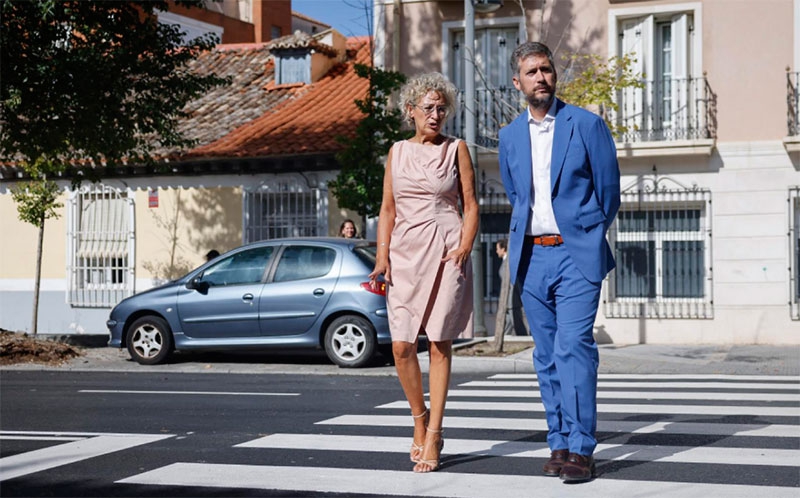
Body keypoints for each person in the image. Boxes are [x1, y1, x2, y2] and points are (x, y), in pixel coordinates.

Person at [498, 41, 621, 483]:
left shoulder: (586, 125)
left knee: (574, 348)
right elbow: (517, 197)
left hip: (575, 255)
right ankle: (560, 441)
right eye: (531, 72)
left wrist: (584, 234)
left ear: (555, 75)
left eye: (546, 70)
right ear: (518, 83)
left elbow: (609, 193)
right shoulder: (509, 136)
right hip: (531, 257)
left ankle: (583, 448)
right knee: (546, 356)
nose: (541, 78)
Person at [369, 72, 478, 473]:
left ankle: (434, 432)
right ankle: (418, 418)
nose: (435, 115)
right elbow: (387, 210)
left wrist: (464, 246)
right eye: (428, 108)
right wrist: (382, 259)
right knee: (401, 346)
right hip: (404, 253)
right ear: (410, 111)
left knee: (439, 343)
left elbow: (471, 204)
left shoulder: (457, 148)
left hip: (448, 251)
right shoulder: (396, 152)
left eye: (441, 108)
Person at [494, 238, 529, 338]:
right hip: (508, 299)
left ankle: (523, 337)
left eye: (497, 248)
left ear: (503, 248)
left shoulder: (508, 263)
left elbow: (511, 283)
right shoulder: (505, 262)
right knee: (509, 321)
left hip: (511, 299)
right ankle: (502, 336)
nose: (496, 251)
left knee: (515, 321)